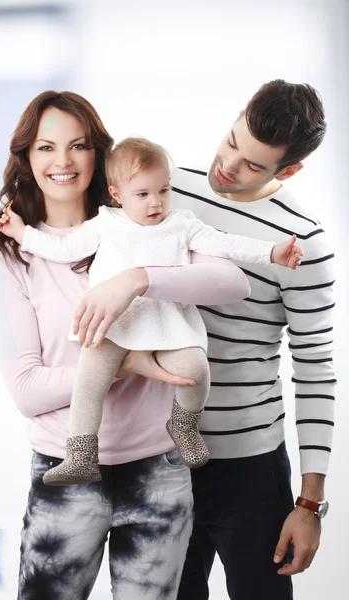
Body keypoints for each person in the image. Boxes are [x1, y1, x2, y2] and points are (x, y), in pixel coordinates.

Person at [0, 91, 251, 599]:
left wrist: (137, 279)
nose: (62, 161)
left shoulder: (145, 222)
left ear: (98, 156)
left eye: (78, 145)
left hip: (159, 472)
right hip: (64, 474)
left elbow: (234, 284)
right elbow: (26, 391)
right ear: (27, 157)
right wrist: (130, 363)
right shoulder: (12, 256)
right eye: (46, 147)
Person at [0, 136, 303, 486]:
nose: (156, 202)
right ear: (116, 194)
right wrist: (21, 233)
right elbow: (62, 248)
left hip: (166, 324)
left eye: (163, 190)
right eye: (142, 194)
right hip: (113, 326)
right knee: (88, 381)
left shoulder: (182, 224)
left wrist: (273, 252)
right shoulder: (104, 223)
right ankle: (81, 454)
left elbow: (226, 244)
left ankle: (183, 423)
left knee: (195, 369)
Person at [169, 80, 335, 600]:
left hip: (250, 468)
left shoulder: (304, 243)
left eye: (253, 165)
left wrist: (309, 504)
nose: (229, 167)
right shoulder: (166, 189)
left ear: (289, 171)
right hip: (157, 456)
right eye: (232, 141)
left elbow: (315, 373)